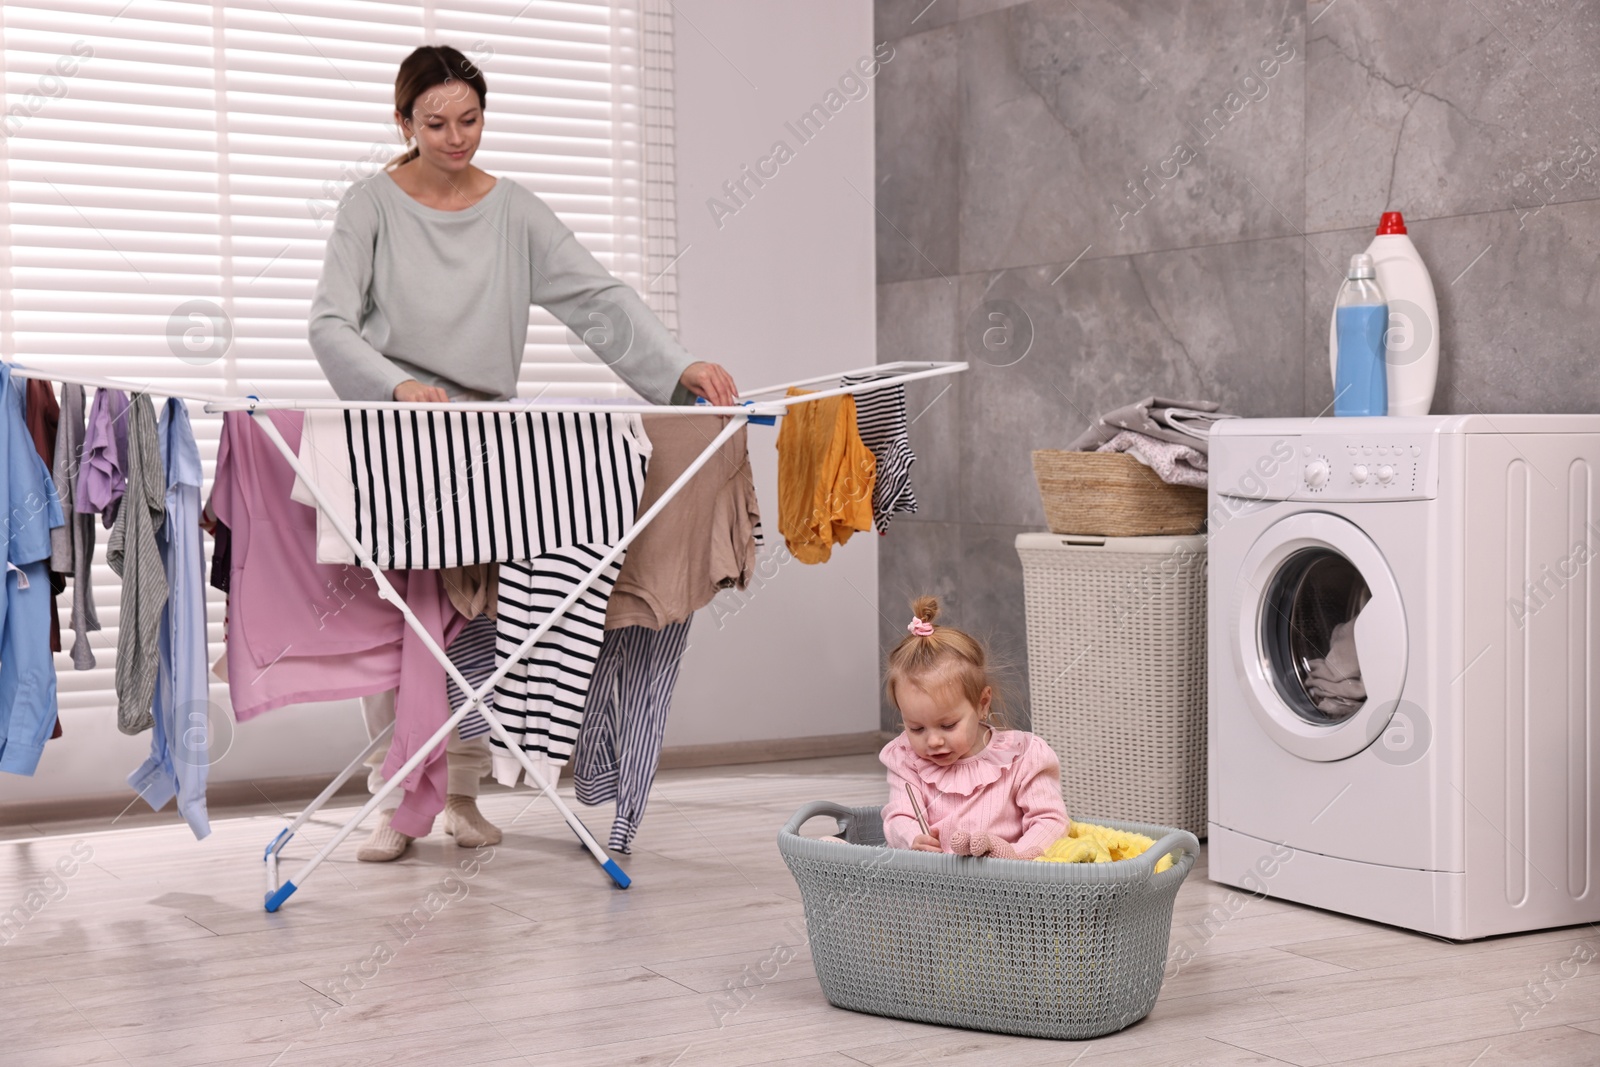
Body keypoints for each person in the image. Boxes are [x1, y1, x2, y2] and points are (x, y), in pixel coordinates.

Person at [307, 44, 740, 862]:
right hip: (396, 431)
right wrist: (395, 385)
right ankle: (395, 798)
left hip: (484, 441)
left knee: (477, 610)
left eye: (469, 119)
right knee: (401, 616)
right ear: (403, 122)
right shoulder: (368, 207)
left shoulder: (514, 212)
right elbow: (329, 322)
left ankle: (463, 793)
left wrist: (677, 366)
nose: (455, 136)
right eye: (435, 122)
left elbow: (595, 298)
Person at [879, 596, 1068, 860]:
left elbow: (1049, 820)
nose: (932, 741)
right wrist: (911, 837)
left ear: (982, 703)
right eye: (916, 728)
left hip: (1008, 884)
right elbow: (899, 814)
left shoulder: (1024, 756)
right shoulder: (905, 758)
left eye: (948, 725)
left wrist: (1016, 856)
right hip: (930, 881)